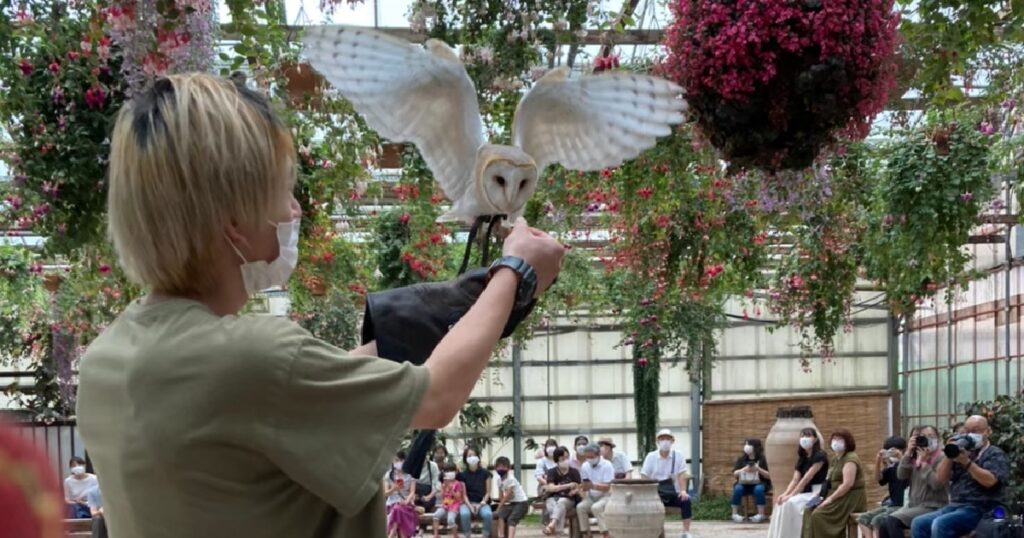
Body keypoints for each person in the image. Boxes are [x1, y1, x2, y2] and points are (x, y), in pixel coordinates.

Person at [74, 74, 565, 537]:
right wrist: (514, 272)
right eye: (282, 190)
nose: (294, 211)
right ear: (233, 222)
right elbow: (435, 397)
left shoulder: (107, 362)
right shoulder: (254, 357)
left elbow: (283, 394)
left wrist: (429, 322)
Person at [910, 415, 1010, 538]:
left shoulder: (994, 453)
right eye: (967, 431)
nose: (971, 435)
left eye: (976, 431)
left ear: (988, 431)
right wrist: (949, 453)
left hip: (981, 508)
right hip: (956, 506)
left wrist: (967, 463)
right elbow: (940, 479)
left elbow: (990, 481)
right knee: (918, 523)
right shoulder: (962, 451)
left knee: (941, 524)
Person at [875, 426, 949, 538]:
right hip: (915, 506)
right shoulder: (917, 457)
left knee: (892, 521)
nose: (928, 440)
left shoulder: (942, 458)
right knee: (883, 525)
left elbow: (936, 484)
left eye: (931, 437)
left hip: (933, 505)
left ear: (938, 439)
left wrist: (924, 464)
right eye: (924, 437)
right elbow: (901, 475)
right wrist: (908, 453)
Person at [802, 429, 867, 538]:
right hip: (831, 493)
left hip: (849, 497)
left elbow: (848, 484)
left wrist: (829, 499)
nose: (836, 441)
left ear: (847, 442)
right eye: (834, 439)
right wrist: (819, 496)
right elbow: (828, 481)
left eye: (840, 439)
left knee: (819, 515)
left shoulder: (850, 458)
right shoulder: (835, 459)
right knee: (808, 509)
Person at [767, 428, 829, 538]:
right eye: (803, 435)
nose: (805, 438)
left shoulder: (820, 456)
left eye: (808, 435)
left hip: (818, 495)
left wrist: (791, 495)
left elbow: (806, 478)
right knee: (781, 503)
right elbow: (795, 479)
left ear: (815, 439)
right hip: (804, 493)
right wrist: (785, 494)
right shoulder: (802, 458)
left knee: (792, 503)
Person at [641, 429, 693, 538]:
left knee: (686, 500)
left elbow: (682, 475)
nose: (665, 441)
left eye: (668, 439)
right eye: (662, 439)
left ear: (672, 441)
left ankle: (686, 532)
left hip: (674, 492)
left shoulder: (678, 455)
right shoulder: (651, 456)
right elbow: (644, 476)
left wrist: (683, 491)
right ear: (658, 441)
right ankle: (654, 531)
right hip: (656, 493)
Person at [858, 435, 911, 538]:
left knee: (877, 521)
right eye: (889, 451)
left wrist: (901, 458)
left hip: (902, 505)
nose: (892, 454)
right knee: (863, 519)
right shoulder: (892, 467)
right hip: (891, 504)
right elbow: (878, 478)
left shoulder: (908, 466)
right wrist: (878, 460)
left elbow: (910, 474)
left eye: (894, 451)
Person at [577, 443, 614, 538]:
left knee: (596, 507)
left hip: (606, 496)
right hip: (591, 496)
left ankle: (606, 533)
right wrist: (581, 488)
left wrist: (593, 486)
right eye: (587, 457)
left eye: (591, 457)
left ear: (598, 455)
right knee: (580, 507)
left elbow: (607, 487)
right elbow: (585, 484)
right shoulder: (585, 466)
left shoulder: (607, 465)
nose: (589, 459)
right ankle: (586, 533)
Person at [543, 447, 582, 536]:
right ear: (557, 459)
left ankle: (552, 524)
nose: (566, 460)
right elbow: (551, 488)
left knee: (561, 503)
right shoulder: (552, 472)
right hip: (552, 498)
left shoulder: (574, 472)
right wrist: (567, 485)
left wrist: (574, 491)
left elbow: (578, 486)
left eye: (567, 457)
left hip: (568, 499)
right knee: (553, 506)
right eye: (563, 458)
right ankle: (559, 532)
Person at [730, 438, 770, 523]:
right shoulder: (742, 459)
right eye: (746, 444)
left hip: (759, 483)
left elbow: (768, 476)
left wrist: (758, 469)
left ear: (755, 447)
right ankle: (734, 514)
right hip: (743, 483)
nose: (746, 447)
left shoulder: (762, 459)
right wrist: (744, 469)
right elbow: (735, 473)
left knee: (758, 489)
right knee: (738, 489)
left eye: (749, 445)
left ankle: (761, 514)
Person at [457, 446, 493, 537]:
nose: (472, 457)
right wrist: (470, 506)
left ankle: (485, 535)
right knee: (464, 514)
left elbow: (488, 492)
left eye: (474, 455)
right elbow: (464, 495)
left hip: (482, 502)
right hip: (467, 503)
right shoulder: (462, 475)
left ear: (478, 457)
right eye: (469, 455)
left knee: (488, 514)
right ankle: (467, 535)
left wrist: (481, 503)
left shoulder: (486, 473)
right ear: (465, 459)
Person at [385, 452, 419, 538]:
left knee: (398, 509)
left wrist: (406, 501)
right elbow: (385, 493)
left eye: (401, 460)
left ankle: (391, 535)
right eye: (396, 460)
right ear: (392, 461)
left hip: (406, 504)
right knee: (397, 509)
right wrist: (393, 489)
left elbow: (412, 492)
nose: (399, 462)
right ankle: (395, 534)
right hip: (391, 504)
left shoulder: (410, 476)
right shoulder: (389, 475)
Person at [494, 457, 529, 538]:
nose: (501, 469)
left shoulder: (511, 479)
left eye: (503, 466)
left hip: (522, 503)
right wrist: (500, 507)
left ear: (508, 468)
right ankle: (501, 535)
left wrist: (499, 506)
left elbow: (508, 495)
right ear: (495, 468)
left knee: (511, 519)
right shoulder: (499, 480)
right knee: (501, 514)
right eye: (499, 466)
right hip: (512, 503)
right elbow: (501, 495)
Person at [432, 463, 464, 538]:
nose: (449, 472)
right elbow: (442, 497)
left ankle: (455, 535)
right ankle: (436, 534)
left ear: (456, 472)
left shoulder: (458, 484)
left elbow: (458, 498)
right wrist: (443, 489)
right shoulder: (444, 483)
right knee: (435, 516)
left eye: (451, 470)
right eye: (447, 471)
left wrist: (451, 490)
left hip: (454, 506)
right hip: (445, 505)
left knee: (450, 520)